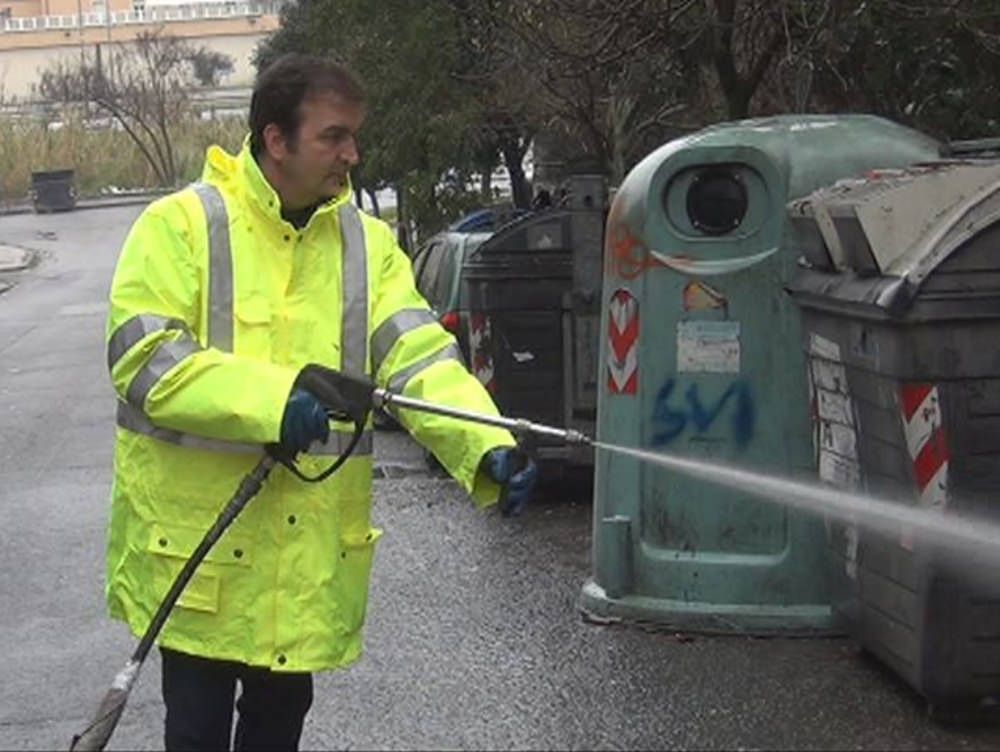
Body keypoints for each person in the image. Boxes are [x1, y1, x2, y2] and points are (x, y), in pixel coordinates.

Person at [104, 52, 538, 751]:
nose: (352, 154)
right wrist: (276, 402)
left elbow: (417, 354)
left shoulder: (364, 245)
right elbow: (145, 358)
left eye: (352, 137)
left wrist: (484, 442)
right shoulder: (179, 227)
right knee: (196, 732)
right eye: (333, 136)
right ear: (277, 139)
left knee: (278, 728)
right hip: (201, 551)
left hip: (299, 557)